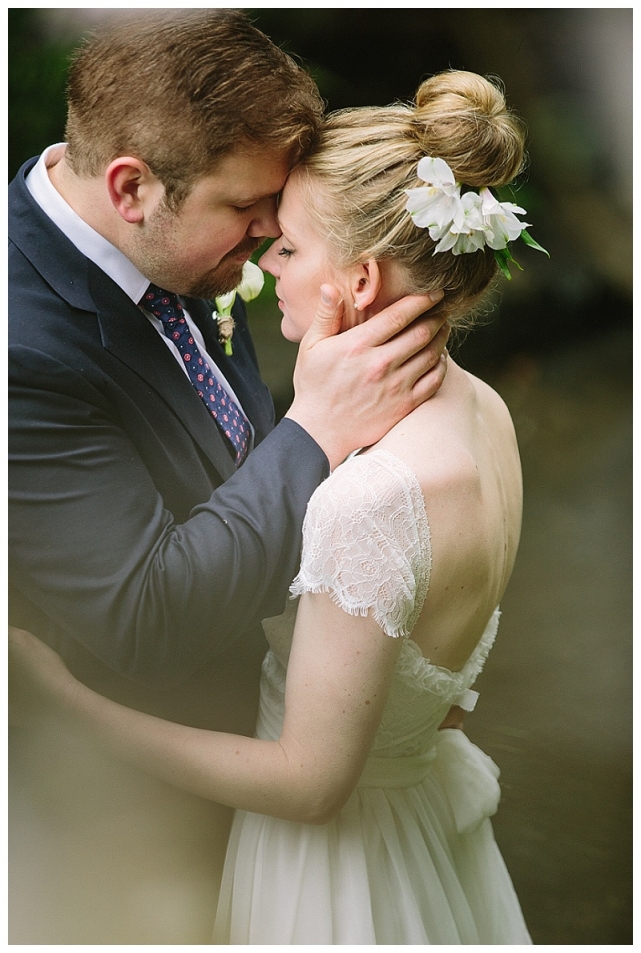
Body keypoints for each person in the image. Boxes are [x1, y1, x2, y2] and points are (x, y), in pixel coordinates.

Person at [10, 68, 539, 943]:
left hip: (331, 871)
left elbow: (310, 782)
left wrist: (67, 705)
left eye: (287, 248)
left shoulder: (369, 494)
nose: (258, 263)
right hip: (419, 813)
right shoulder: (485, 410)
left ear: (358, 283)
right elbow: (443, 684)